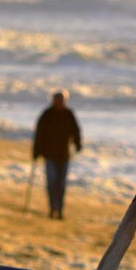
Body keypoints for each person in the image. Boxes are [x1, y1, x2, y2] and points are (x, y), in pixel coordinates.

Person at [32, 90, 82, 219]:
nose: (59, 103)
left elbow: (76, 130)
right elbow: (39, 134)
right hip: (50, 155)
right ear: (53, 101)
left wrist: (78, 144)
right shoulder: (47, 115)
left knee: (61, 185)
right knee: (52, 183)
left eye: (61, 100)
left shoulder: (69, 114)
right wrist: (36, 152)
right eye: (57, 100)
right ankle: (52, 209)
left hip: (64, 155)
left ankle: (59, 210)